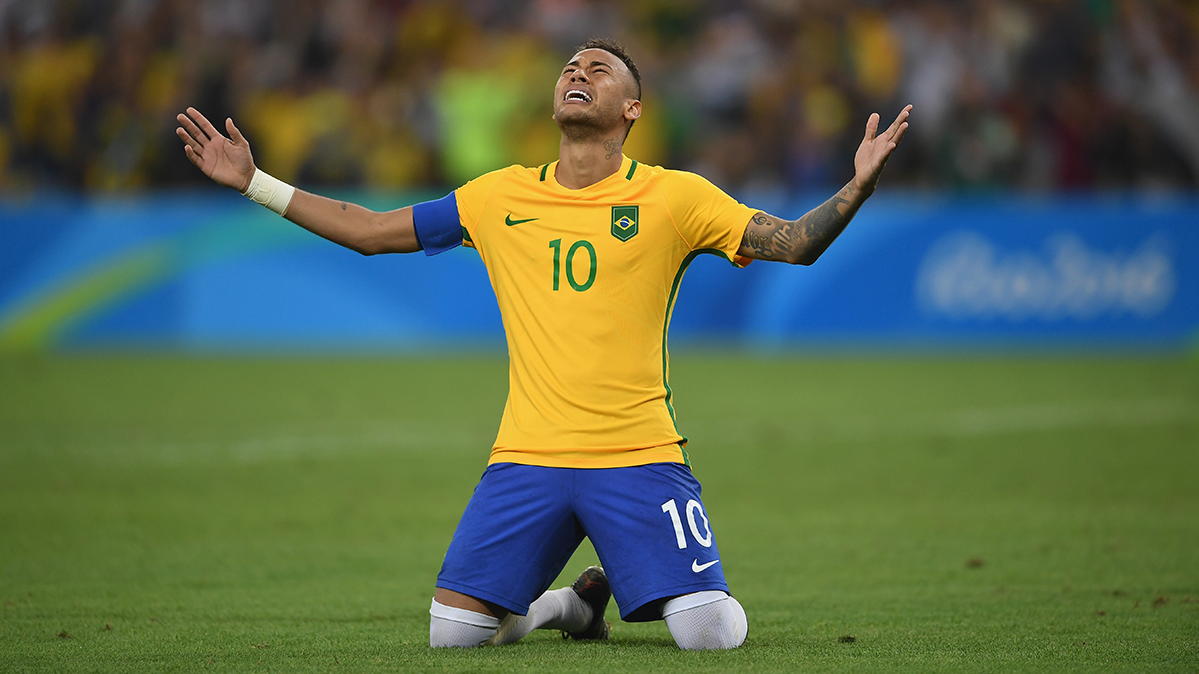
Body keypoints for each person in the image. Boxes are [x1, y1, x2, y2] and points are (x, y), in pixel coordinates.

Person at [176, 37, 910, 651]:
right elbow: (370, 232)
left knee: (710, 634)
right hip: (525, 455)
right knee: (451, 637)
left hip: (638, 453)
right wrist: (255, 183)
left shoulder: (676, 196)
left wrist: (855, 189)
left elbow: (790, 244)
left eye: (598, 68)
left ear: (632, 109)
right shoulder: (496, 198)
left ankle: (624, 589)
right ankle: (572, 605)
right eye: (569, 66)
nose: (576, 72)